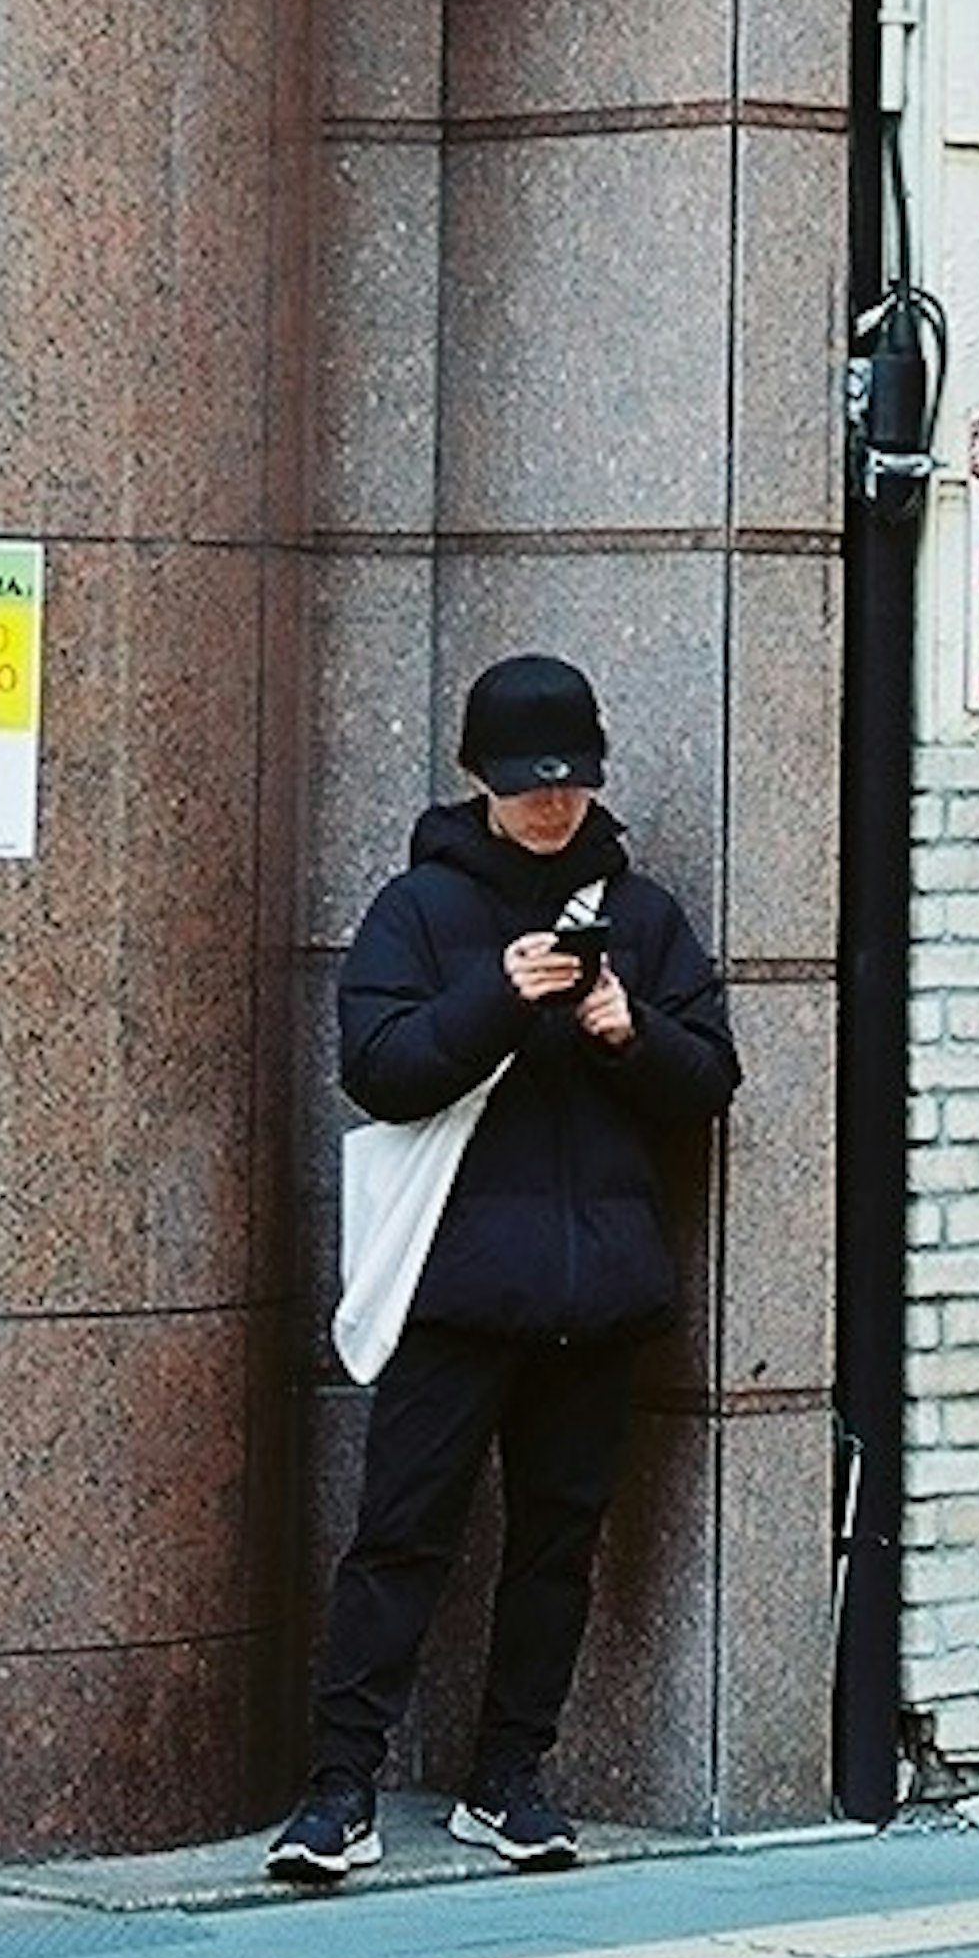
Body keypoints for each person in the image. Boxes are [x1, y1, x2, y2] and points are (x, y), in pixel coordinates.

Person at [265, 653, 738, 1889]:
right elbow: (377, 1066)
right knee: (400, 1535)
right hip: (456, 1287)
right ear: (478, 776)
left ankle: (509, 1777)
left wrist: (633, 1035)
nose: (553, 805)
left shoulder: (642, 913)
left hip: (599, 1297)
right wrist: (493, 997)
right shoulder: (419, 910)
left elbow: (711, 1077)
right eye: (531, 784)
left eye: (573, 782)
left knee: (556, 1547)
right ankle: (337, 1791)